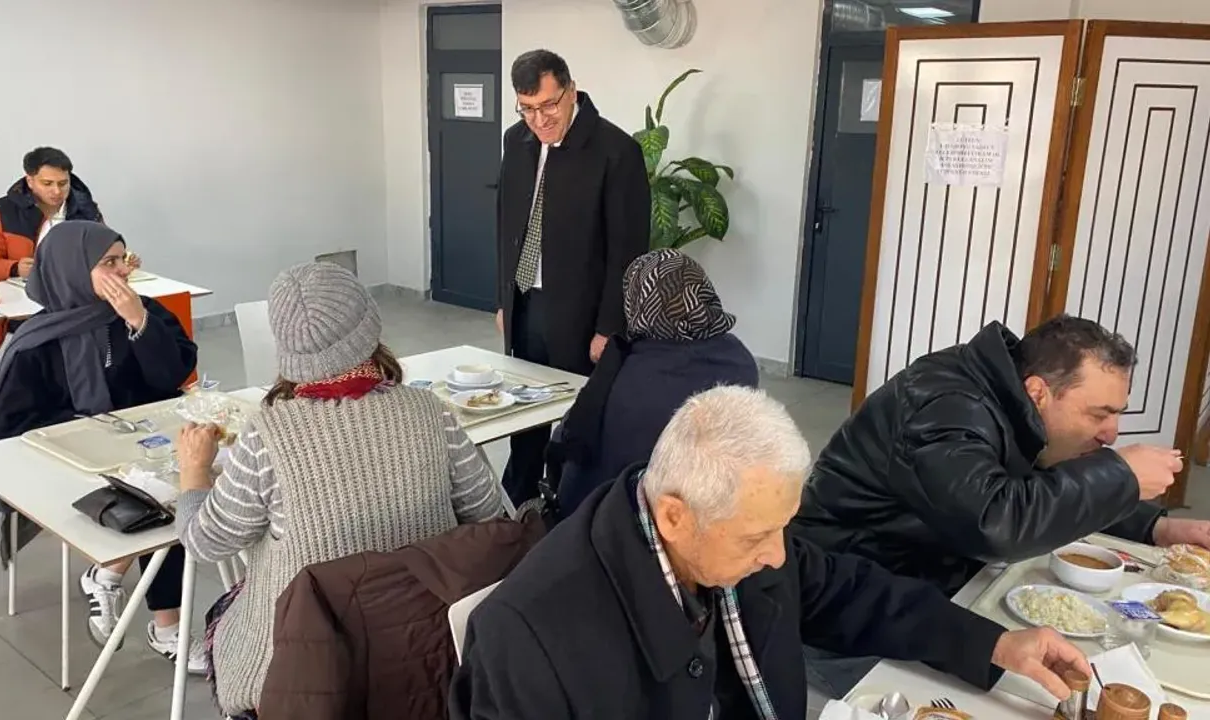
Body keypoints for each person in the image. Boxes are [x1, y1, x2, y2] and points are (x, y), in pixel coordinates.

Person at [450, 386, 1091, 719]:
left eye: (783, 528)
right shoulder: (529, 638)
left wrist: (996, 644)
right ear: (673, 517)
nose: (778, 557)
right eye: (757, 538)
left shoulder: (724, 535)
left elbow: (854, 592)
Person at [793, 316, 1209, 697]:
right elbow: (994, 522)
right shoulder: (946, 408)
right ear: (1038, 392)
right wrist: (1121, 478)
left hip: (936, 593)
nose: (1111, 434)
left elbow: (1047, 477)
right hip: (853, 612)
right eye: (1099, 414)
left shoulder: (1009, 396)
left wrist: (1156, 528)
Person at [175, 261, 506, 719]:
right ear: (370, 325)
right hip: (427, 650)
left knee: (230, 605)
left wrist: (193, 472)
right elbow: (489, 515)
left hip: (309, 668)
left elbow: (203, 541)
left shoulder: (267, 434)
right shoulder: (431, 411)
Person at [0, 220, 202, 672]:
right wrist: (92, 430)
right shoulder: (36, 341)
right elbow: (17, 430)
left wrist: (139, 323)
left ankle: (114, 576)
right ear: (73, 270)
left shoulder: (144, 311)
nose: (122, 272)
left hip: (141, 451)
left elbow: (173, 375)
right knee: (164, 498)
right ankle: (165, 625)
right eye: (108, 263)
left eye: (123, 260)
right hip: (70, 465)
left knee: (177, 485)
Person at [496, 49, 650, 506]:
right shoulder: (516, 141)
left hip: (582, 312)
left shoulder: (616, 151)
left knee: (575, 417)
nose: (539, 119)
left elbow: (628, 248)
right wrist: (504, 299)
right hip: (526, 300)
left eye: (549, 105)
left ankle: (567, 505)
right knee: (524, 407)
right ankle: (519, 501)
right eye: (527, 108)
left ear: (571, 91)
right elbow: (506, 222)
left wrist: (609, 325)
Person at [549, 249, 757, 516]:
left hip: (615, 520)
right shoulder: (740, 359)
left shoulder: (622, 374)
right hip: (709, 509)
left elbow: (572, 446)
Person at [0, 147, 108, 349]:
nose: (57, 191)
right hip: (24, 306)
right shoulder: (1, 211)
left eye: (63, 183)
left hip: (79, 300)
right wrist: (15, 268)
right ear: (30, 181)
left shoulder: (86, 210)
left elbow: (104, 251)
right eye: (47, 184)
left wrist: (117, 260)